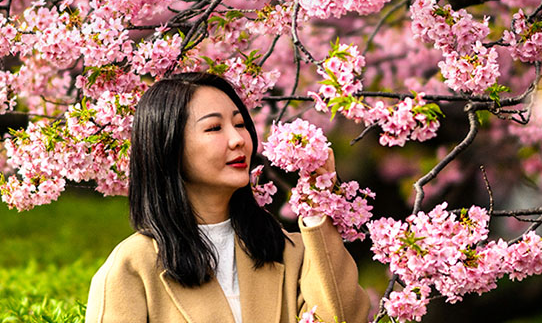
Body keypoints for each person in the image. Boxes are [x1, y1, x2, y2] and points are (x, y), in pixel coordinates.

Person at [85, 72, 371, 323]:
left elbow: (341, 318)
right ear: (169, 147)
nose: (238, 140)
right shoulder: (132, 266)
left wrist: (318, 207)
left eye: (240, 124)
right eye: (214, 128)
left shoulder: (289, 251)